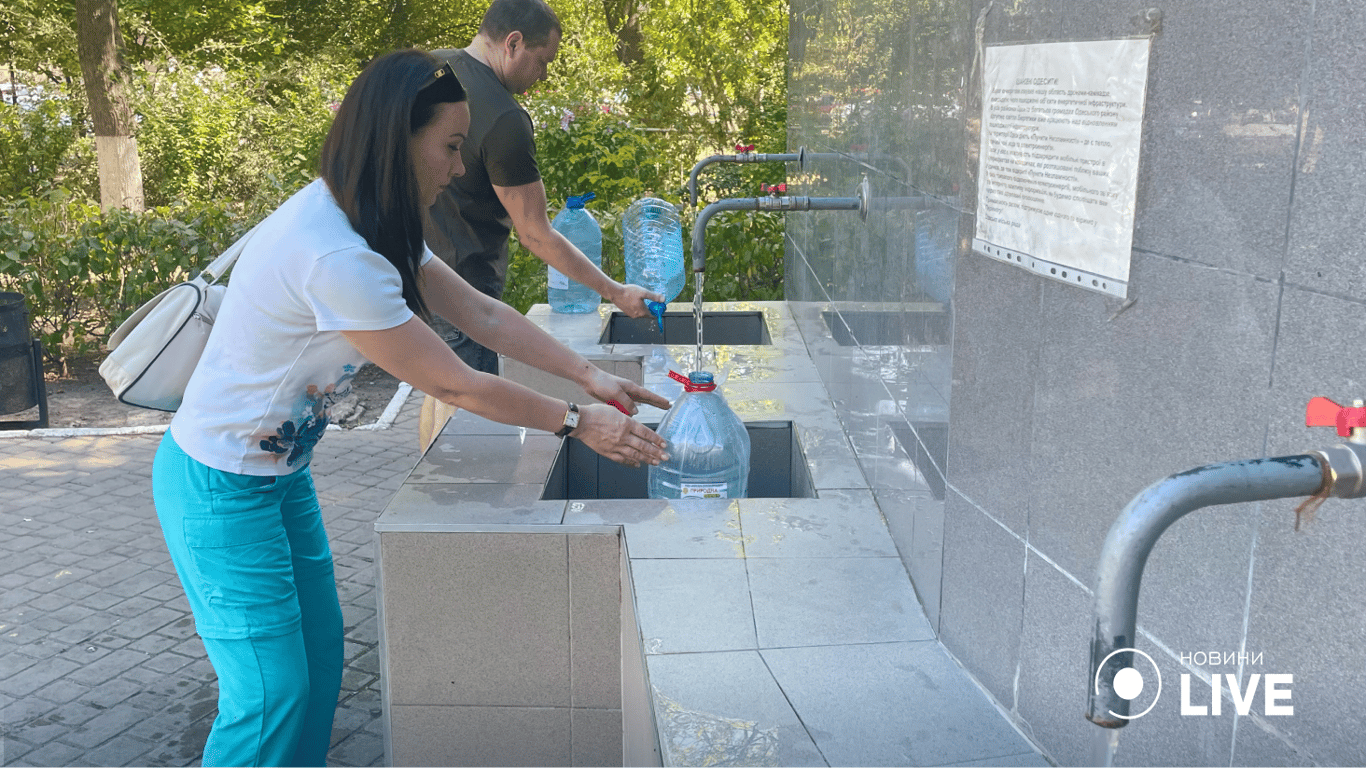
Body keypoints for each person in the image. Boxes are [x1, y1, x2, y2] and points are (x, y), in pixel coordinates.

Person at [151, 48, 670, 768]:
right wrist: (581, 424)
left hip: (279, 477)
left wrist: (591, 378)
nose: (460, 168)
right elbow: (455, 383)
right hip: (219, 485)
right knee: (271, 695)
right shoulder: (335, 254)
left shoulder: (370, 225)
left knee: (318, 666)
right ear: (398, 140)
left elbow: (483, 315)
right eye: (451, 147)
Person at [419, 0, 661, 448]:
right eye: (542, 60)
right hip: (463, 289)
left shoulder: (429, 71)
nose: (544, 74)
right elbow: (535, 232)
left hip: (415, 273)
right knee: (472, 437)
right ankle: (465, 512)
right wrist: (616, 292)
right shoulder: (502, 117)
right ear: (513, 44)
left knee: (440, 393)